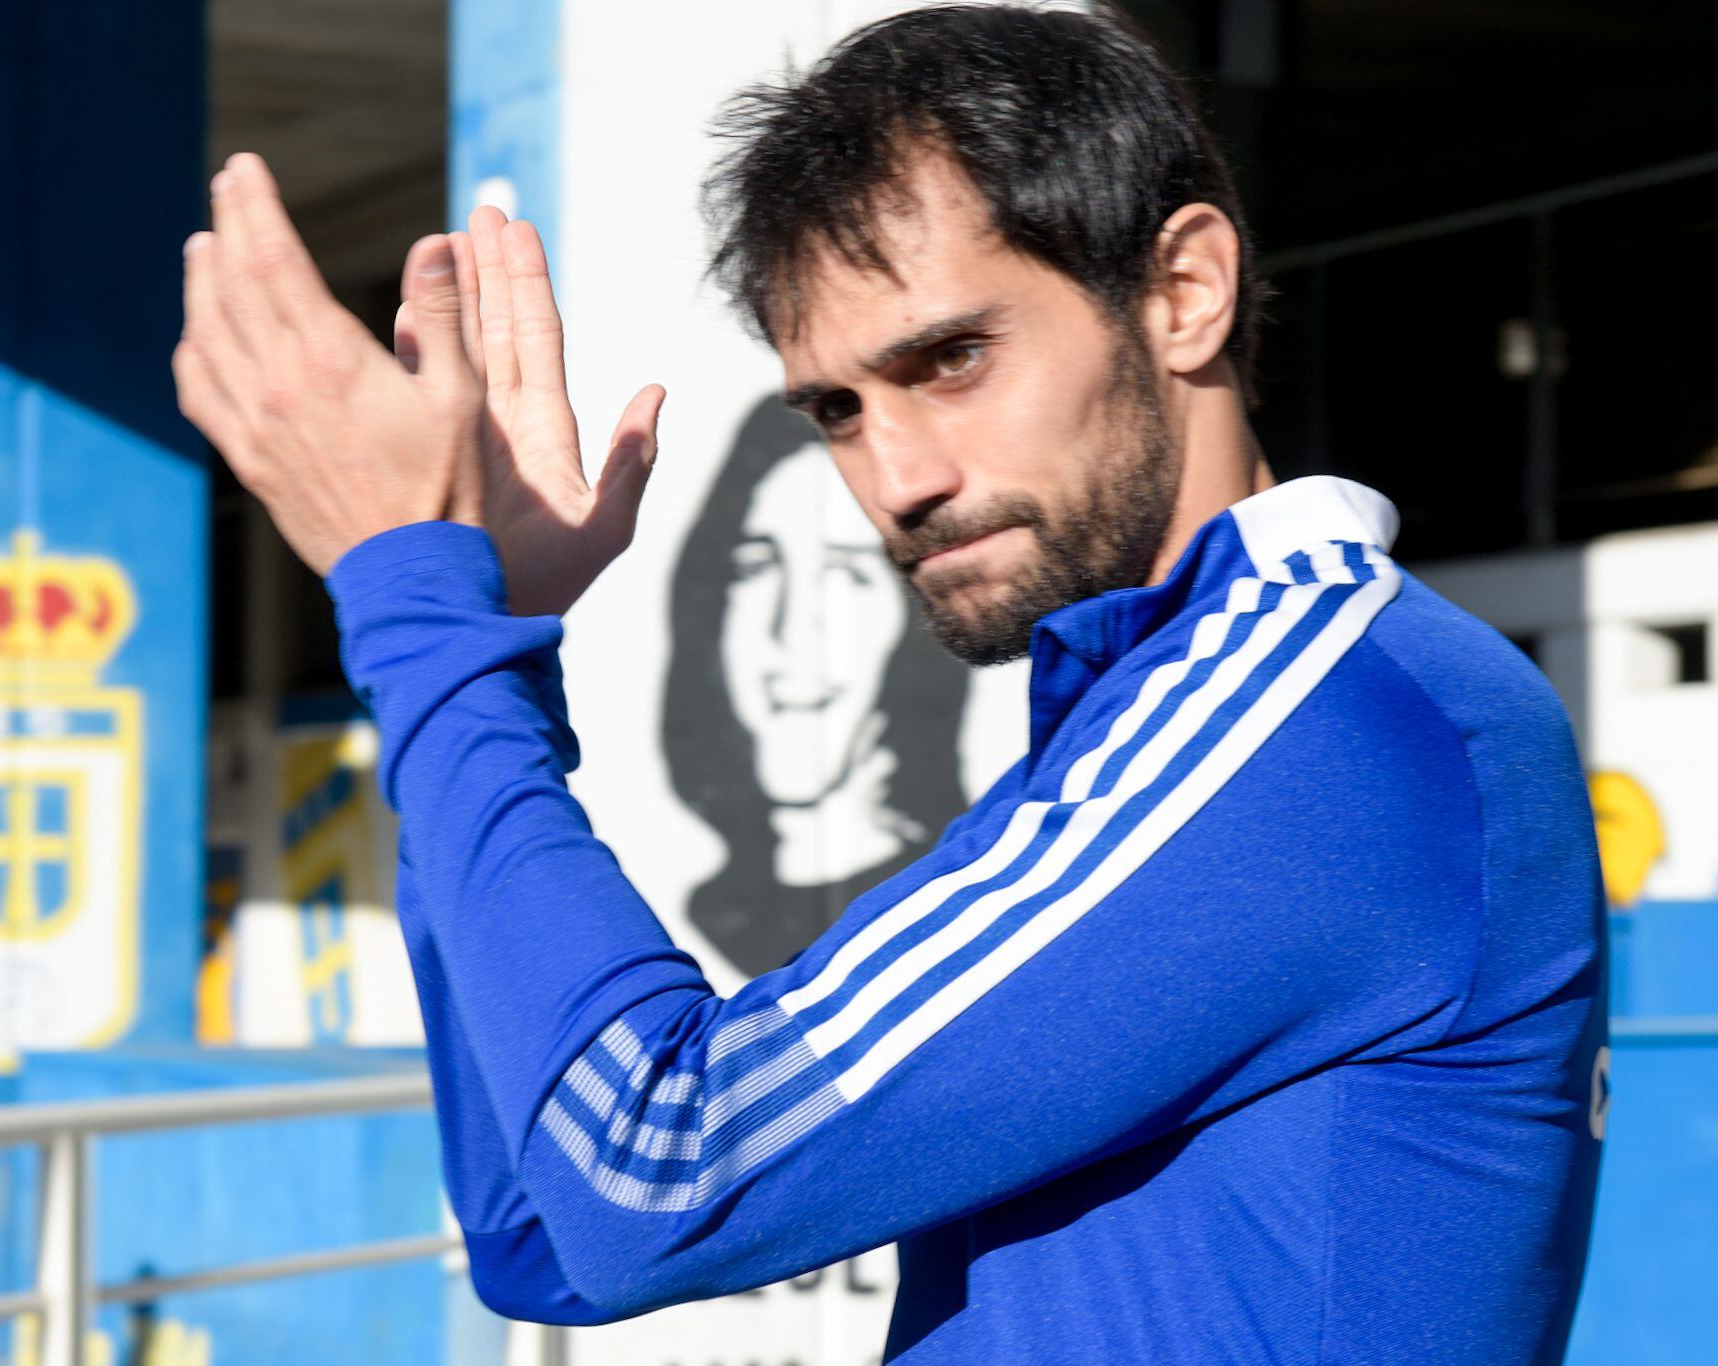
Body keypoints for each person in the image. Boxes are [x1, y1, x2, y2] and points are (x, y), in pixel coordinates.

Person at [172, 5, 1606, 1361]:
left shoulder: (1324, 716)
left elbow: (650, 1174)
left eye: (955, 357)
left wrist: (420, 617)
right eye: (839, 409)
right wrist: (486, 660)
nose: (899, 477)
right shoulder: (1176, 707)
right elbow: (544, 1221)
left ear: (1183, 290)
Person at [667, 394, 969, 977]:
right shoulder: (694, 919)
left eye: (847, 573)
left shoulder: (962, 902)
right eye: (757, 568)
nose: (791, 632)